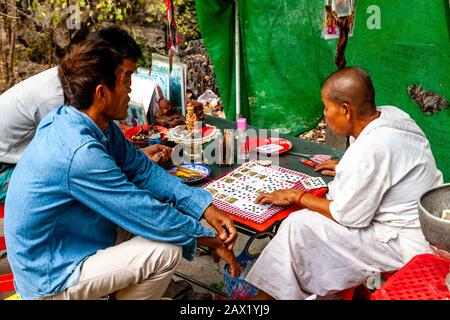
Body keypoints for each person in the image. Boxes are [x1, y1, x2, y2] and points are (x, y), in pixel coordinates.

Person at [4, 38, 242, 300]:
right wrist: (206, 238)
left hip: (69, 242)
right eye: (126, 80)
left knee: (160, 220)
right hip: (50, 276)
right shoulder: (79, 152)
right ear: (101, 93)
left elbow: (142, 170)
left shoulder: (87, 121)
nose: (131, 90)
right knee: (166, 249)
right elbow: (142, 210)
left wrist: (204, 207)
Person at [244, 67, 443, 300]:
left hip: (407, 244)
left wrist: (297, 196)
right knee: (307, 230)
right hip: (427, 225)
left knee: (299, 226)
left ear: (346, 110)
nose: (325, 115)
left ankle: (265, 300)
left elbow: (348, 216)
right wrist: (346, 166)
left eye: (327, 108)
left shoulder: (372, 148)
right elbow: (391, 165)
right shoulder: (393, 116)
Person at [0, 26, 170, 204]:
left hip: (24, 158)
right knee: (82, 189)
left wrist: (135, 156)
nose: (129, 85)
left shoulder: (79, 81)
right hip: (5, 167)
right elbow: (78, 159)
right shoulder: (56, 97)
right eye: (125, 76)